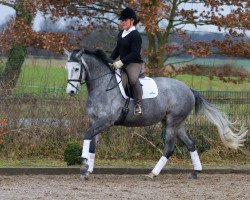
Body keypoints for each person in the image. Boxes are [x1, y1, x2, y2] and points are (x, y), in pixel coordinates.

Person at [110, 7, 144, 115]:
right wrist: (109, 59)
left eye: (125, 20)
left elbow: (134, 53)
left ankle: (138, 105)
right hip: (123, 62)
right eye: (122, 20)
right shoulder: (121, 33)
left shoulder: (136, 35)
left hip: (134, 63)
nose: (122, 22)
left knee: (133, 80)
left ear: (132, 20)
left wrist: (120, 62)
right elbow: (117, 49)